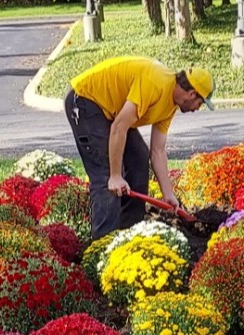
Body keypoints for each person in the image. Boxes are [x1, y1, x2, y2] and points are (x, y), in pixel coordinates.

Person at [64, 56, 215, 239]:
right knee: (106, 179)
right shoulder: (156, 83)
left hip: (111, 111)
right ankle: (102, 246)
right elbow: (119, 127)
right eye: (200, 103)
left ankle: (129, 232)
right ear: (192, 94)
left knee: (139, 158)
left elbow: (157, 151)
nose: (197, 109)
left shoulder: (170, 105)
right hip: (85, 100)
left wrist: (168, 195)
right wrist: (115, 176)